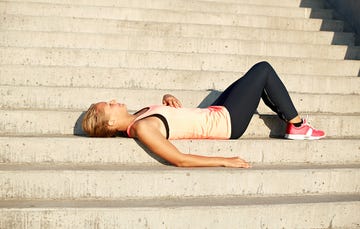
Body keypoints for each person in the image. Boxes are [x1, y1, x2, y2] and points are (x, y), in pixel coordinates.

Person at [82, 61, 325, 168]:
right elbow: (179, 160)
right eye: (109, 105)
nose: (114, 101)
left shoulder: (140, 117)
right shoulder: (142, 128)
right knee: (262, 70)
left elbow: (169, 119)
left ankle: (290, 118)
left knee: (252, 79)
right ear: (111, 122)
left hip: (213, 112)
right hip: (226, 123)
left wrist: (166, 98)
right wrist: (223, 160)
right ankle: (296, 124)